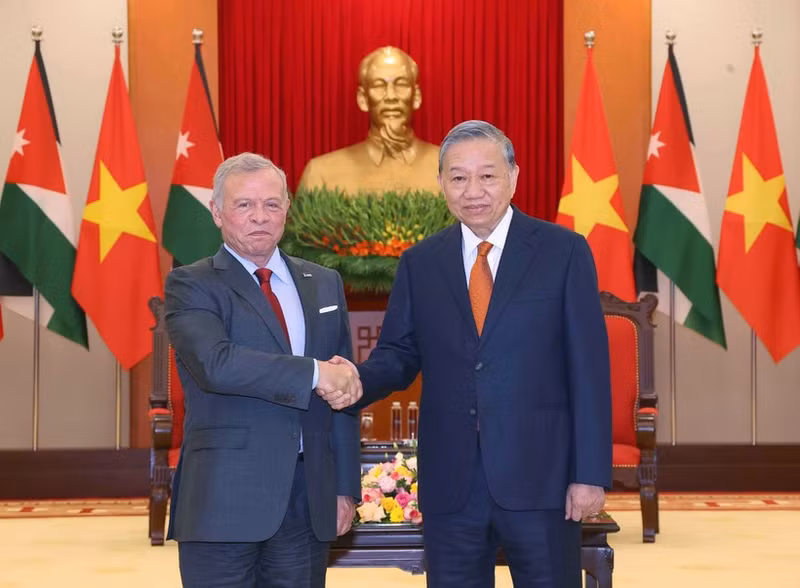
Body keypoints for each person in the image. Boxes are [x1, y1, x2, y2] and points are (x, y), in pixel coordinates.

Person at [331, 121, 612, 587]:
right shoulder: (421, 262)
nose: (472, 190)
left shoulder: (562, 251)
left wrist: (589, 473)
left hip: (541, 477)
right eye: (458, 177)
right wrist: (356, 381)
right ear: (441, 183)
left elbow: (589, 371)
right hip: (452, 481)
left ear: (514, 178)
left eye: (487, 175)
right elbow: (399, 354)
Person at [164, 152, 364, 588]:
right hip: (223, 500)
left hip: (306, 502)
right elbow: (217, 363)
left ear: (287, 209)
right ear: (217, 212)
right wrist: (314, 373)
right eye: (244, 205)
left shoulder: (324, 283)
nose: (260, 216)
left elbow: (343, 390)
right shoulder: (191, 283)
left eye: (272, 204)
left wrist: (345, 486)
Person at [297, 46, 441, 195]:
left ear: (416, 96)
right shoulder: (321, 174)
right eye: (379, 85)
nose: (391, 96)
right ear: (362, 99)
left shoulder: (450, 168)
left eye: (401, 84)